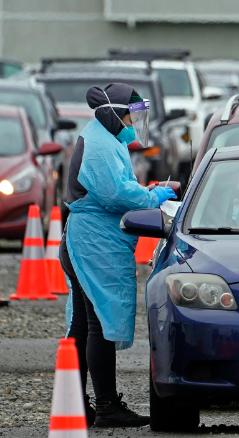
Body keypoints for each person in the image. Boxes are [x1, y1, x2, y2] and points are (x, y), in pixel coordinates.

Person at [60, 83, 176, 428]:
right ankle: (107, 406)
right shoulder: (98, 144)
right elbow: (115, 194)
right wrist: (154, 197)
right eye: (130, 115)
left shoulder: (104, 139)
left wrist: (145, 191)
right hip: (92, 241)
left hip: (88, 238)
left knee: (83, 325)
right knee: (96, 324)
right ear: (114, 114)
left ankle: (78, 404)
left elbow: (116, 187)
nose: (133, 123)